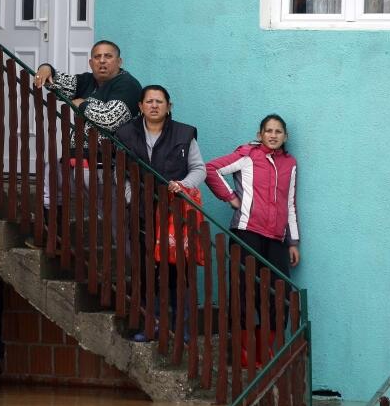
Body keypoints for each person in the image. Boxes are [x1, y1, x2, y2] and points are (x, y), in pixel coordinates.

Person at [205, 114, 299, 361]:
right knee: (244, 290)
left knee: (279, 292)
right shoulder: (247, 154)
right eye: (268, 130)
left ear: (285, 136)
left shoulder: (290, 164)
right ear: (260, 134)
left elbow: (290, 204)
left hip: (276, 238)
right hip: (247, 232)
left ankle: (266, 349)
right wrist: (231, 198)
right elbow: (211, 169)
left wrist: (293, 242)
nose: (273, 135)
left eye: (278, 131)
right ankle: (244, 350)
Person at [115, 85, 205, 342]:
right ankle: (151, 325)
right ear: (141, 106)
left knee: (180, 271)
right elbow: (118, 171)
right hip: (141, 214)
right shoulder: (125, 134)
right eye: (149, 101)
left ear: (169, 106)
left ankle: (182, 328)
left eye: (159, 101)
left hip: (174, 213)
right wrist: (131, 197)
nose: (154, 106)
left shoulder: (184, 133)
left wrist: (184, 186)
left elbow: (199, 169)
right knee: (146, 270)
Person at [33, 39, 143, 208]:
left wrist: (82, 105)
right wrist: (46, 68)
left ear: (119, 61)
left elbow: (110, 120)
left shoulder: (128, 85)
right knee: (50, 177)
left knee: (110, 213)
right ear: (91, 63)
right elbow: (56, 82)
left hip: (108, 162)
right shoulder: (88, 80)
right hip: (79, 156)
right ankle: (55, 227)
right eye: (97, 57)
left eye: (108, 56)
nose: (102, 61)